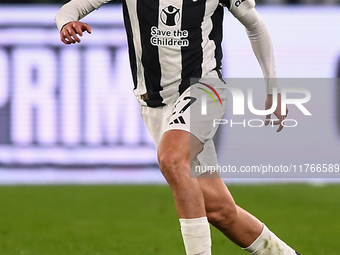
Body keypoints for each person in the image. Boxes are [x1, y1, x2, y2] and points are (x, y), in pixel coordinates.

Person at [55, 0, 302, 254]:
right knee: (219, 211)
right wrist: (66, 23)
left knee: (172, 159)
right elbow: (71, 8)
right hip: (154, 103)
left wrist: (273, 87)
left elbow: (255, 25)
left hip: (205, 89)